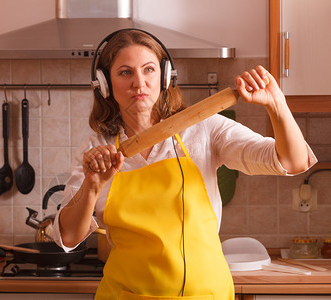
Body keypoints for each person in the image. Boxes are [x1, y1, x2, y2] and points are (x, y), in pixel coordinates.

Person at [52, 29, 317, 299]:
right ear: (104, 84)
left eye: (148, 70)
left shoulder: (204, 130)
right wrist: (92, 185)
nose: (139, 82)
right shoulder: (96, 151)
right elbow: (70, 237)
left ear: (165, 76)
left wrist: (277, 105)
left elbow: (292, 162)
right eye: (125, 72)